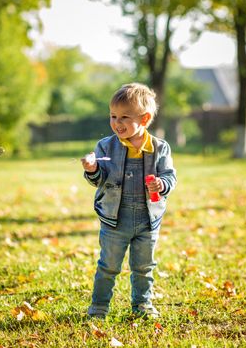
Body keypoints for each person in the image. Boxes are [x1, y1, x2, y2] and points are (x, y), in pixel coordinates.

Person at [81, 83, 177, 320]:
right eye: (113, 116)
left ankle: (142, 305)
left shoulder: (159, 148)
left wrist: (162, 184)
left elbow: (170, 176)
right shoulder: (105, 146)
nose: (117, 122)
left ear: (144, 119)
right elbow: (99, 179)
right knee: (108, 266)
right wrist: (93, 169)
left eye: (124, 117)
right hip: (115, 218)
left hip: (147, 219)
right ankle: (99, 307)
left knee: (144, 267)